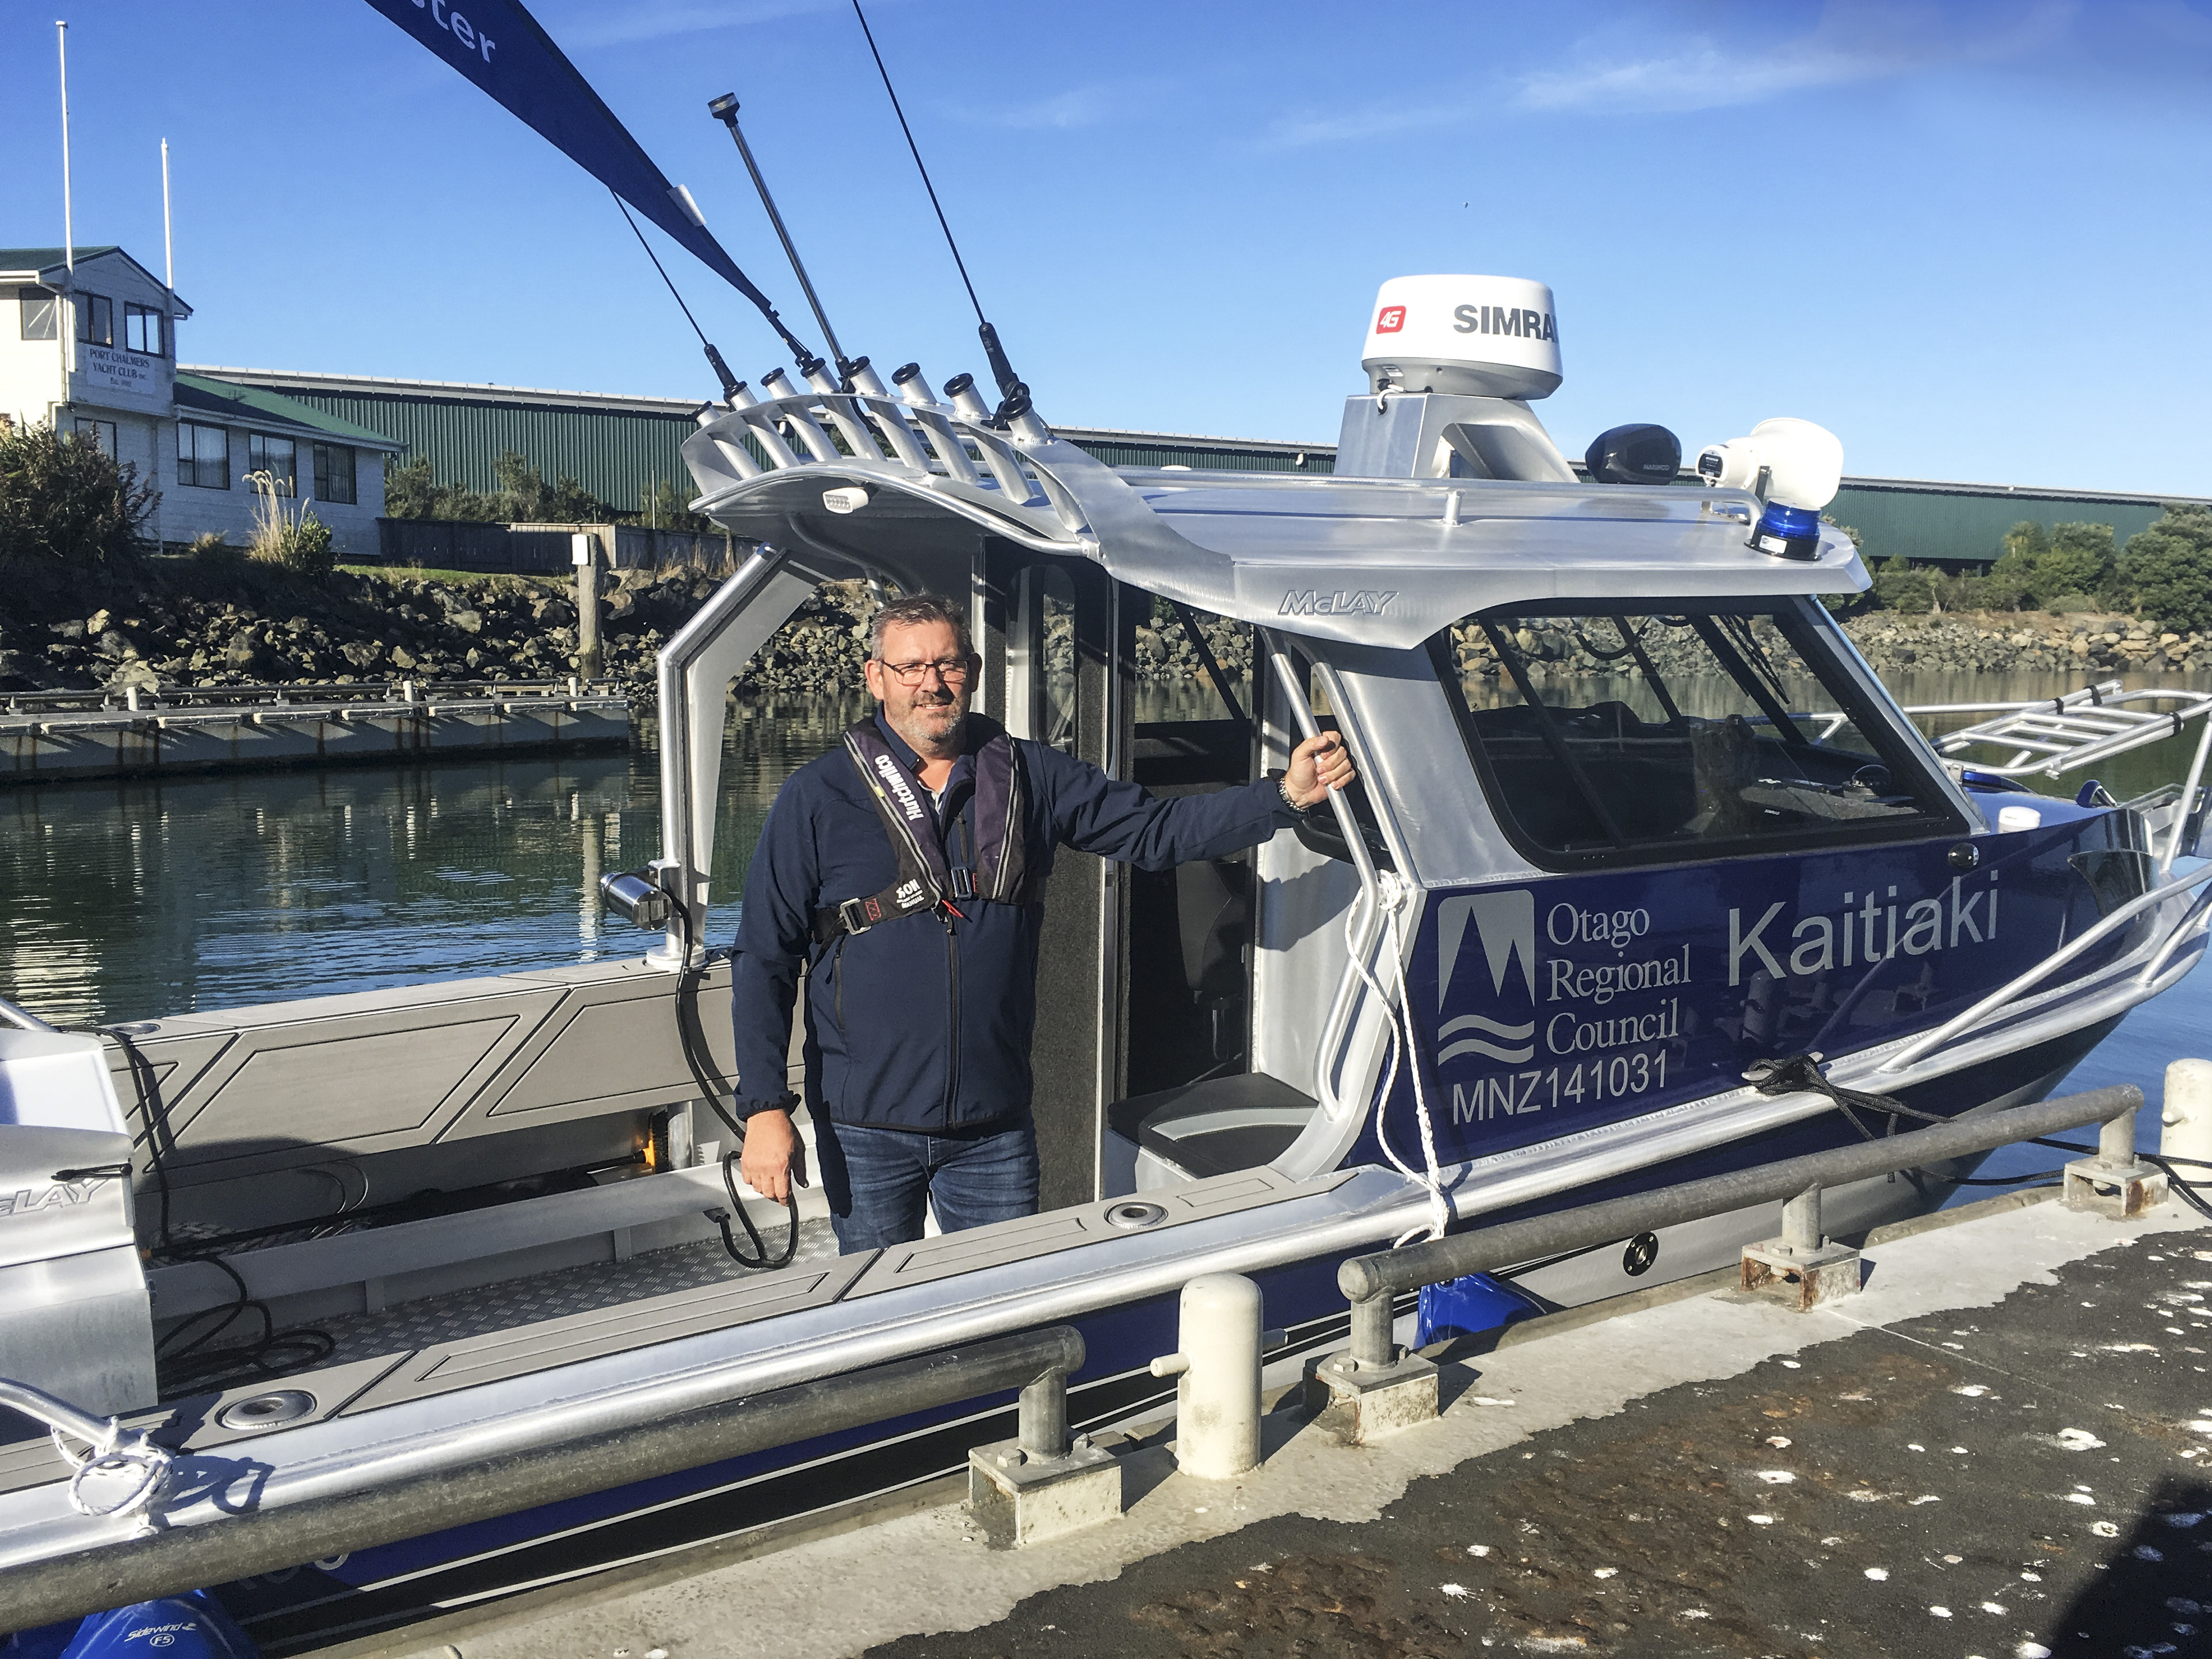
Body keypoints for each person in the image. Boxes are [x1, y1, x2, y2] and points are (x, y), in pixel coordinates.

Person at [726, 593, 1355, 1250]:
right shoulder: (816, 796)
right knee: (881, 1317)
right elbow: (764, 955)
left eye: (947, 664)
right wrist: (765, 1108)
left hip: (994, 1129)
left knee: (1007, 1309)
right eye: (910, 668)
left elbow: (1155, 832)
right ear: (875, 676)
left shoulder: (1031, 774)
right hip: (864, 1127)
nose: (931, 684)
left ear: (970, 668)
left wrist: (1284, 795)